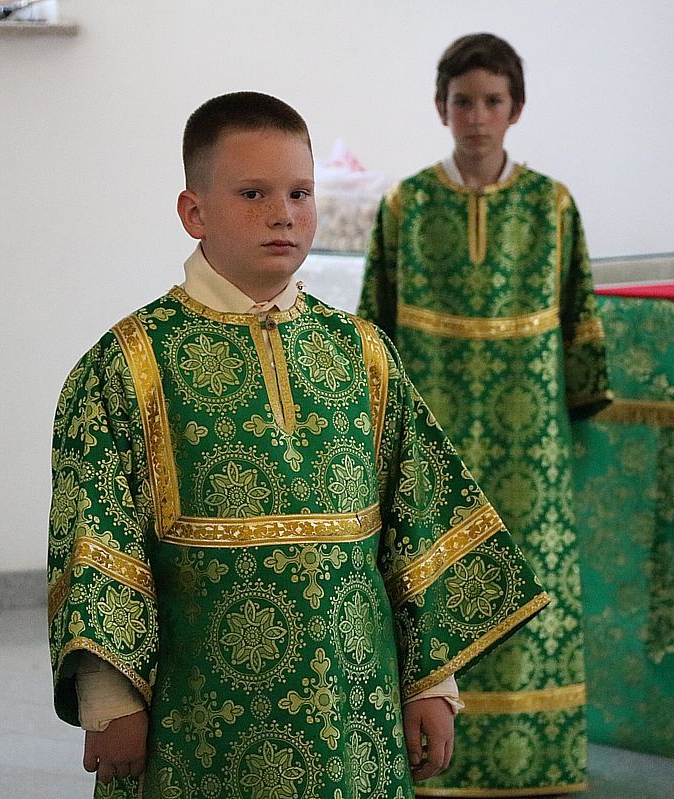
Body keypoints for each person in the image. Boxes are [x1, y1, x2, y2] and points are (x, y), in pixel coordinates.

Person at [48, 90, 550, 798]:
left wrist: (432, 684)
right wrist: (109, 698)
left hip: (355, 715)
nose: (282, 213)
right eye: (252, 193)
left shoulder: (361, 353)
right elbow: (98, 541)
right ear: (194, 212)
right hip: (197, 721)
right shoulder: (127, 365)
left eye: (299, 193)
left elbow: (417, 525)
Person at [358, 34, 612, 797]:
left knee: (531, 581)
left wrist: (578, 401)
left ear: (516, 109)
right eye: (462, 101)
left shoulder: (551, 205)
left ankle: (534, 758)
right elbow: (374, 323)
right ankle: (428, 751)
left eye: (491, 101)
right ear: (440, 108)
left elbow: (579, 313)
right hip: (430, 432)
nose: (476, 117)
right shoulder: (404, 205)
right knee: (429, 581)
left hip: (529, 443)